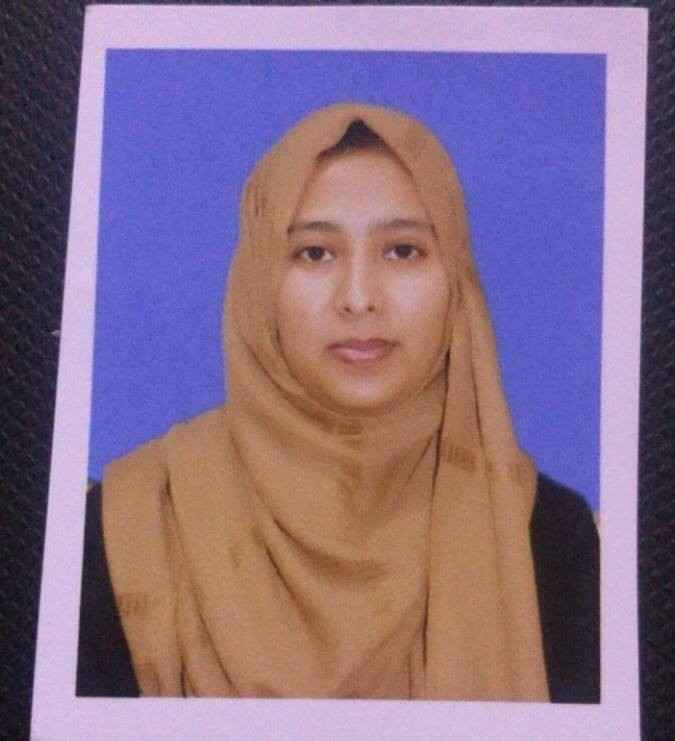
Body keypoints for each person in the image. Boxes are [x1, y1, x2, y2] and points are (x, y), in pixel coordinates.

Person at [77, 102, 599, 702]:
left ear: (456, 281)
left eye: (402, 251)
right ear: (258, 284)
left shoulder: (545, 534)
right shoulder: (131, 526)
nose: (358, 298)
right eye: (315, 253)